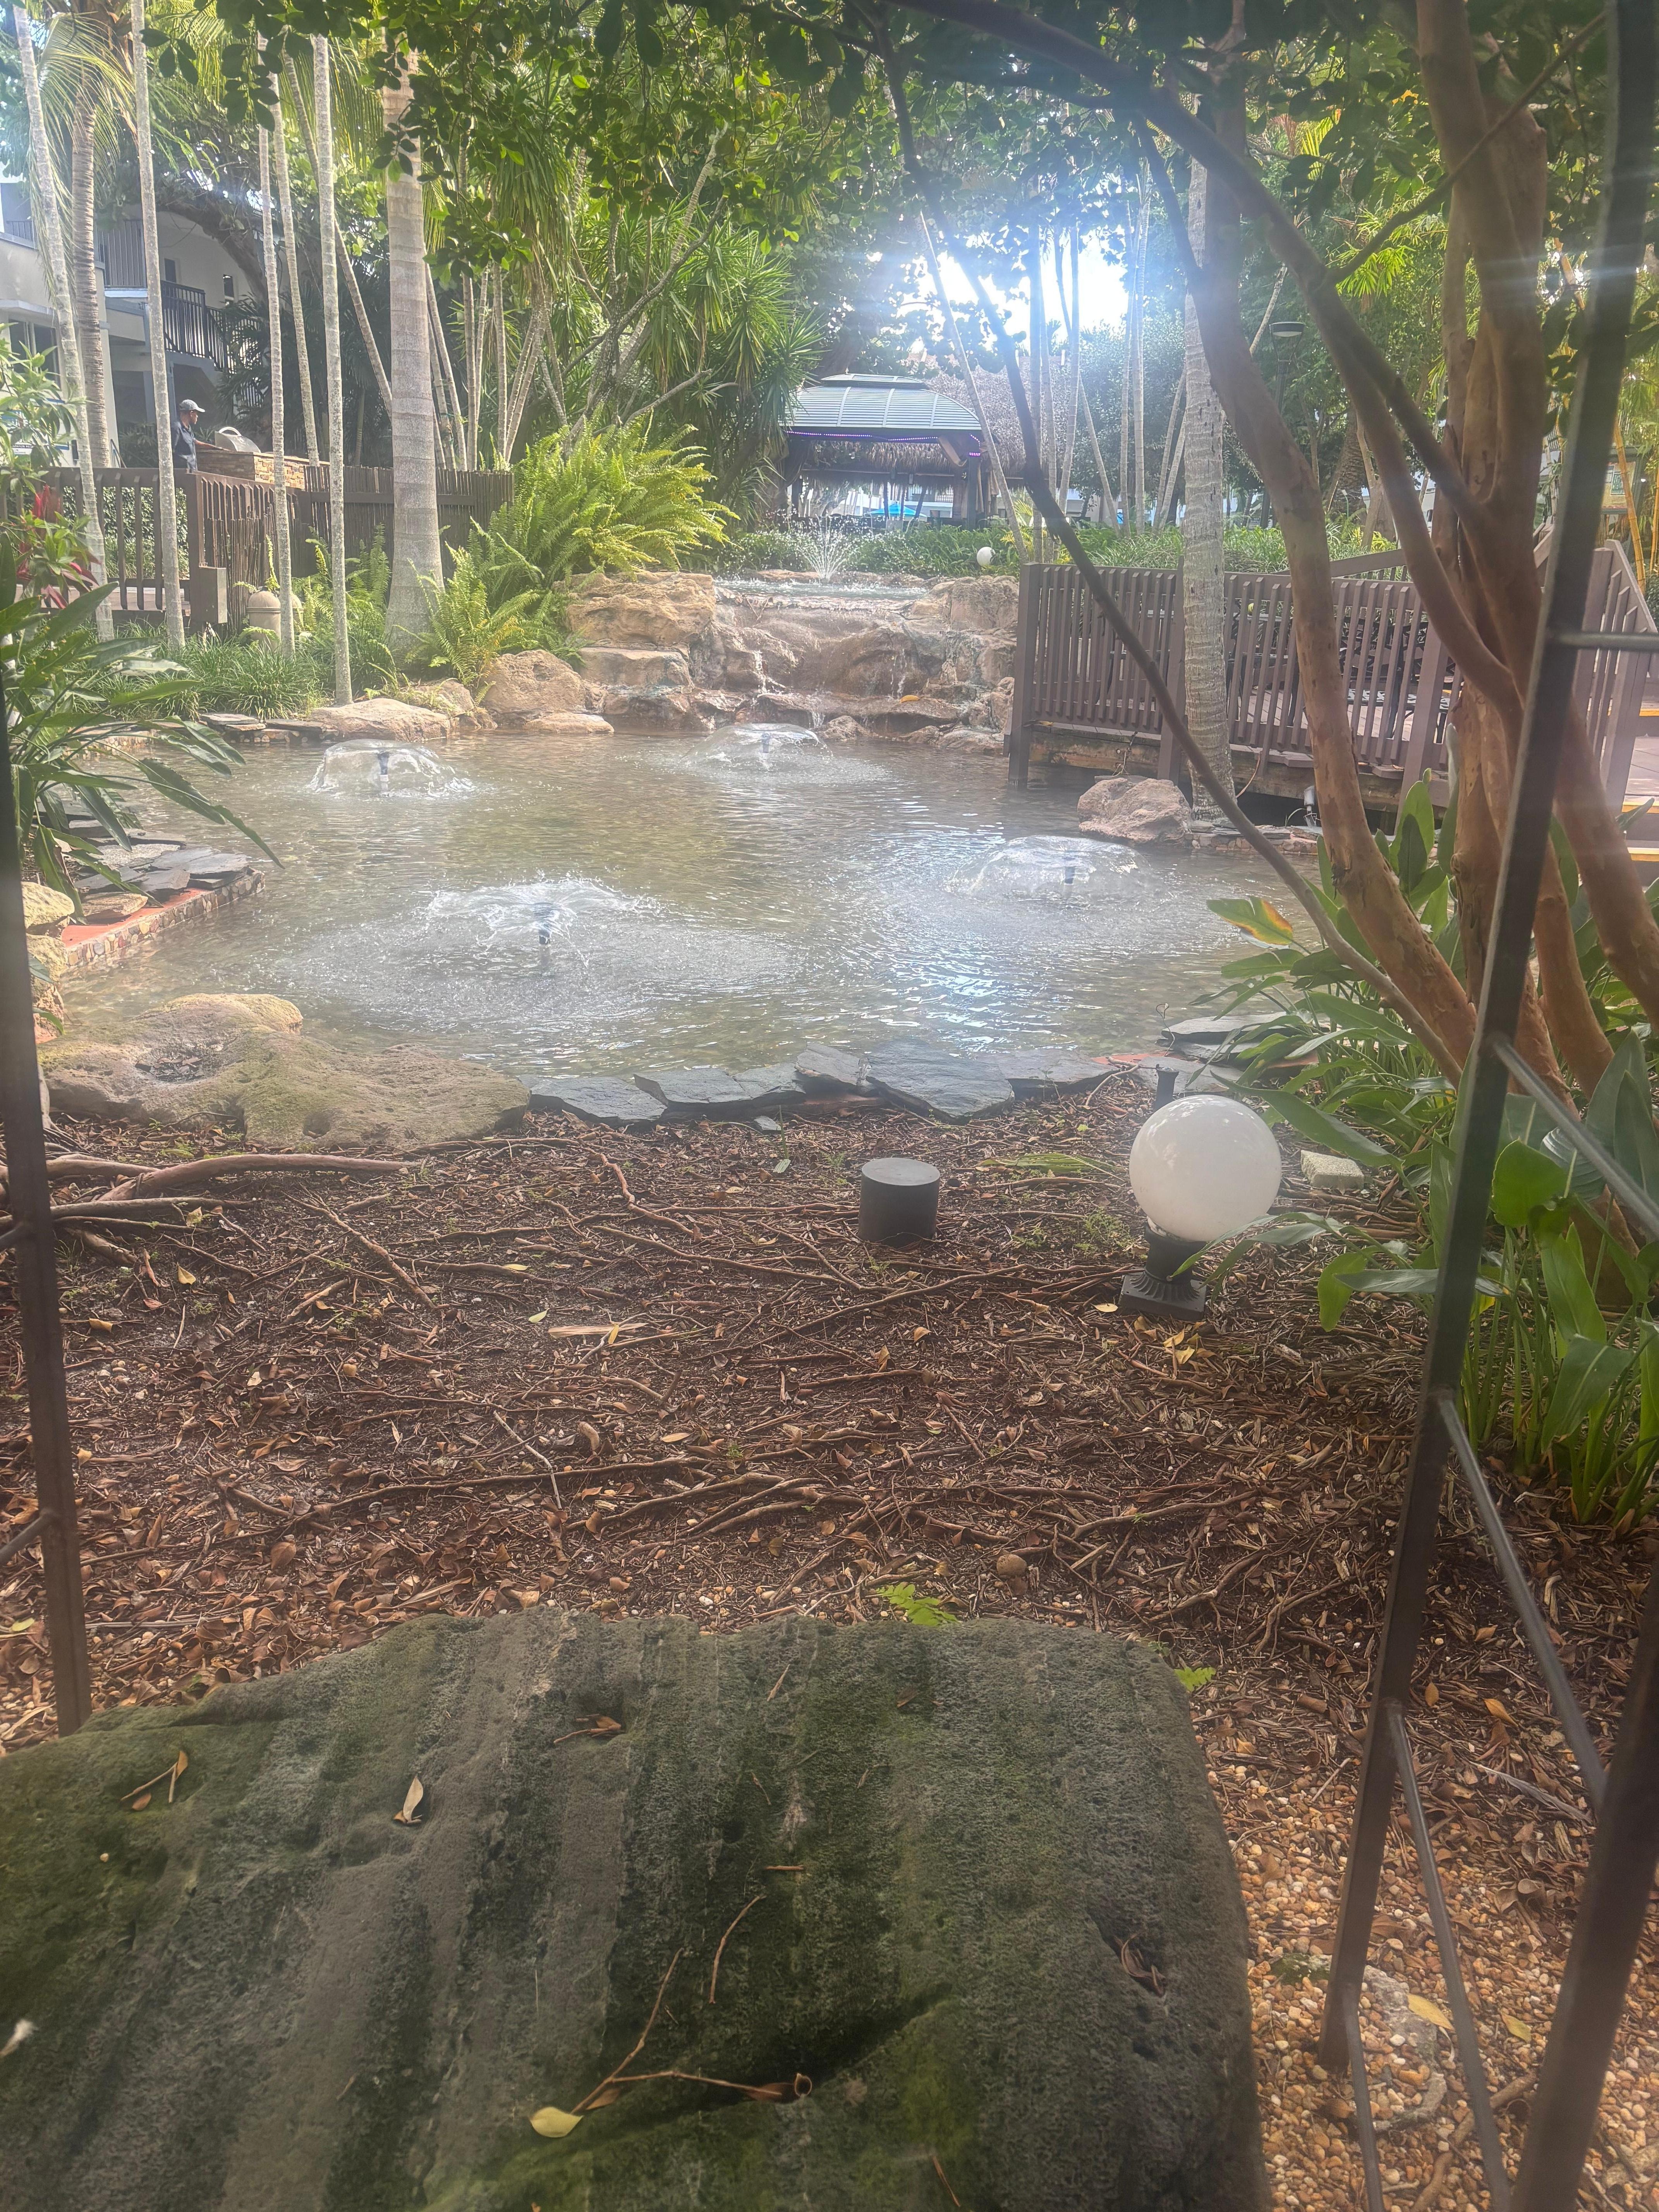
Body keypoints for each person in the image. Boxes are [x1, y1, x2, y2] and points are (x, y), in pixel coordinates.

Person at [172, 396, 203, 473]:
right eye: (197, 414)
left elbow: (195, 442)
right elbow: (171, 451)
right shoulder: (176, 428)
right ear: (191, 413)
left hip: (192, 471)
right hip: (183, 473)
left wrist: (217, 448)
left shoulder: (188, 428)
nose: (197, 417)